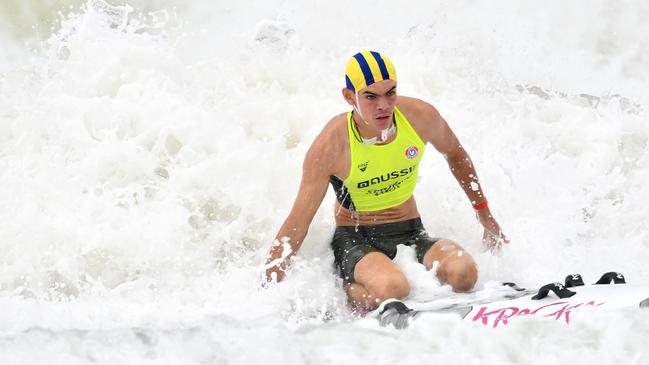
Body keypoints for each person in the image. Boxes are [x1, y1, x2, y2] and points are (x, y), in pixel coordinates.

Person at [264, 51, 507, 310]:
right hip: (356, 238)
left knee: (465, 273)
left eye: (390, 92)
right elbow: (298, 221)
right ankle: (348, 292)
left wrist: (484, 215)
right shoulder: (332, 145)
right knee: (393, 290)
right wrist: (269, 290)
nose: (384, 105)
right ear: (349, 97)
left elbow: (456, 154)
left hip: (412, 231)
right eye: (370, 96)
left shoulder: (419, 117)